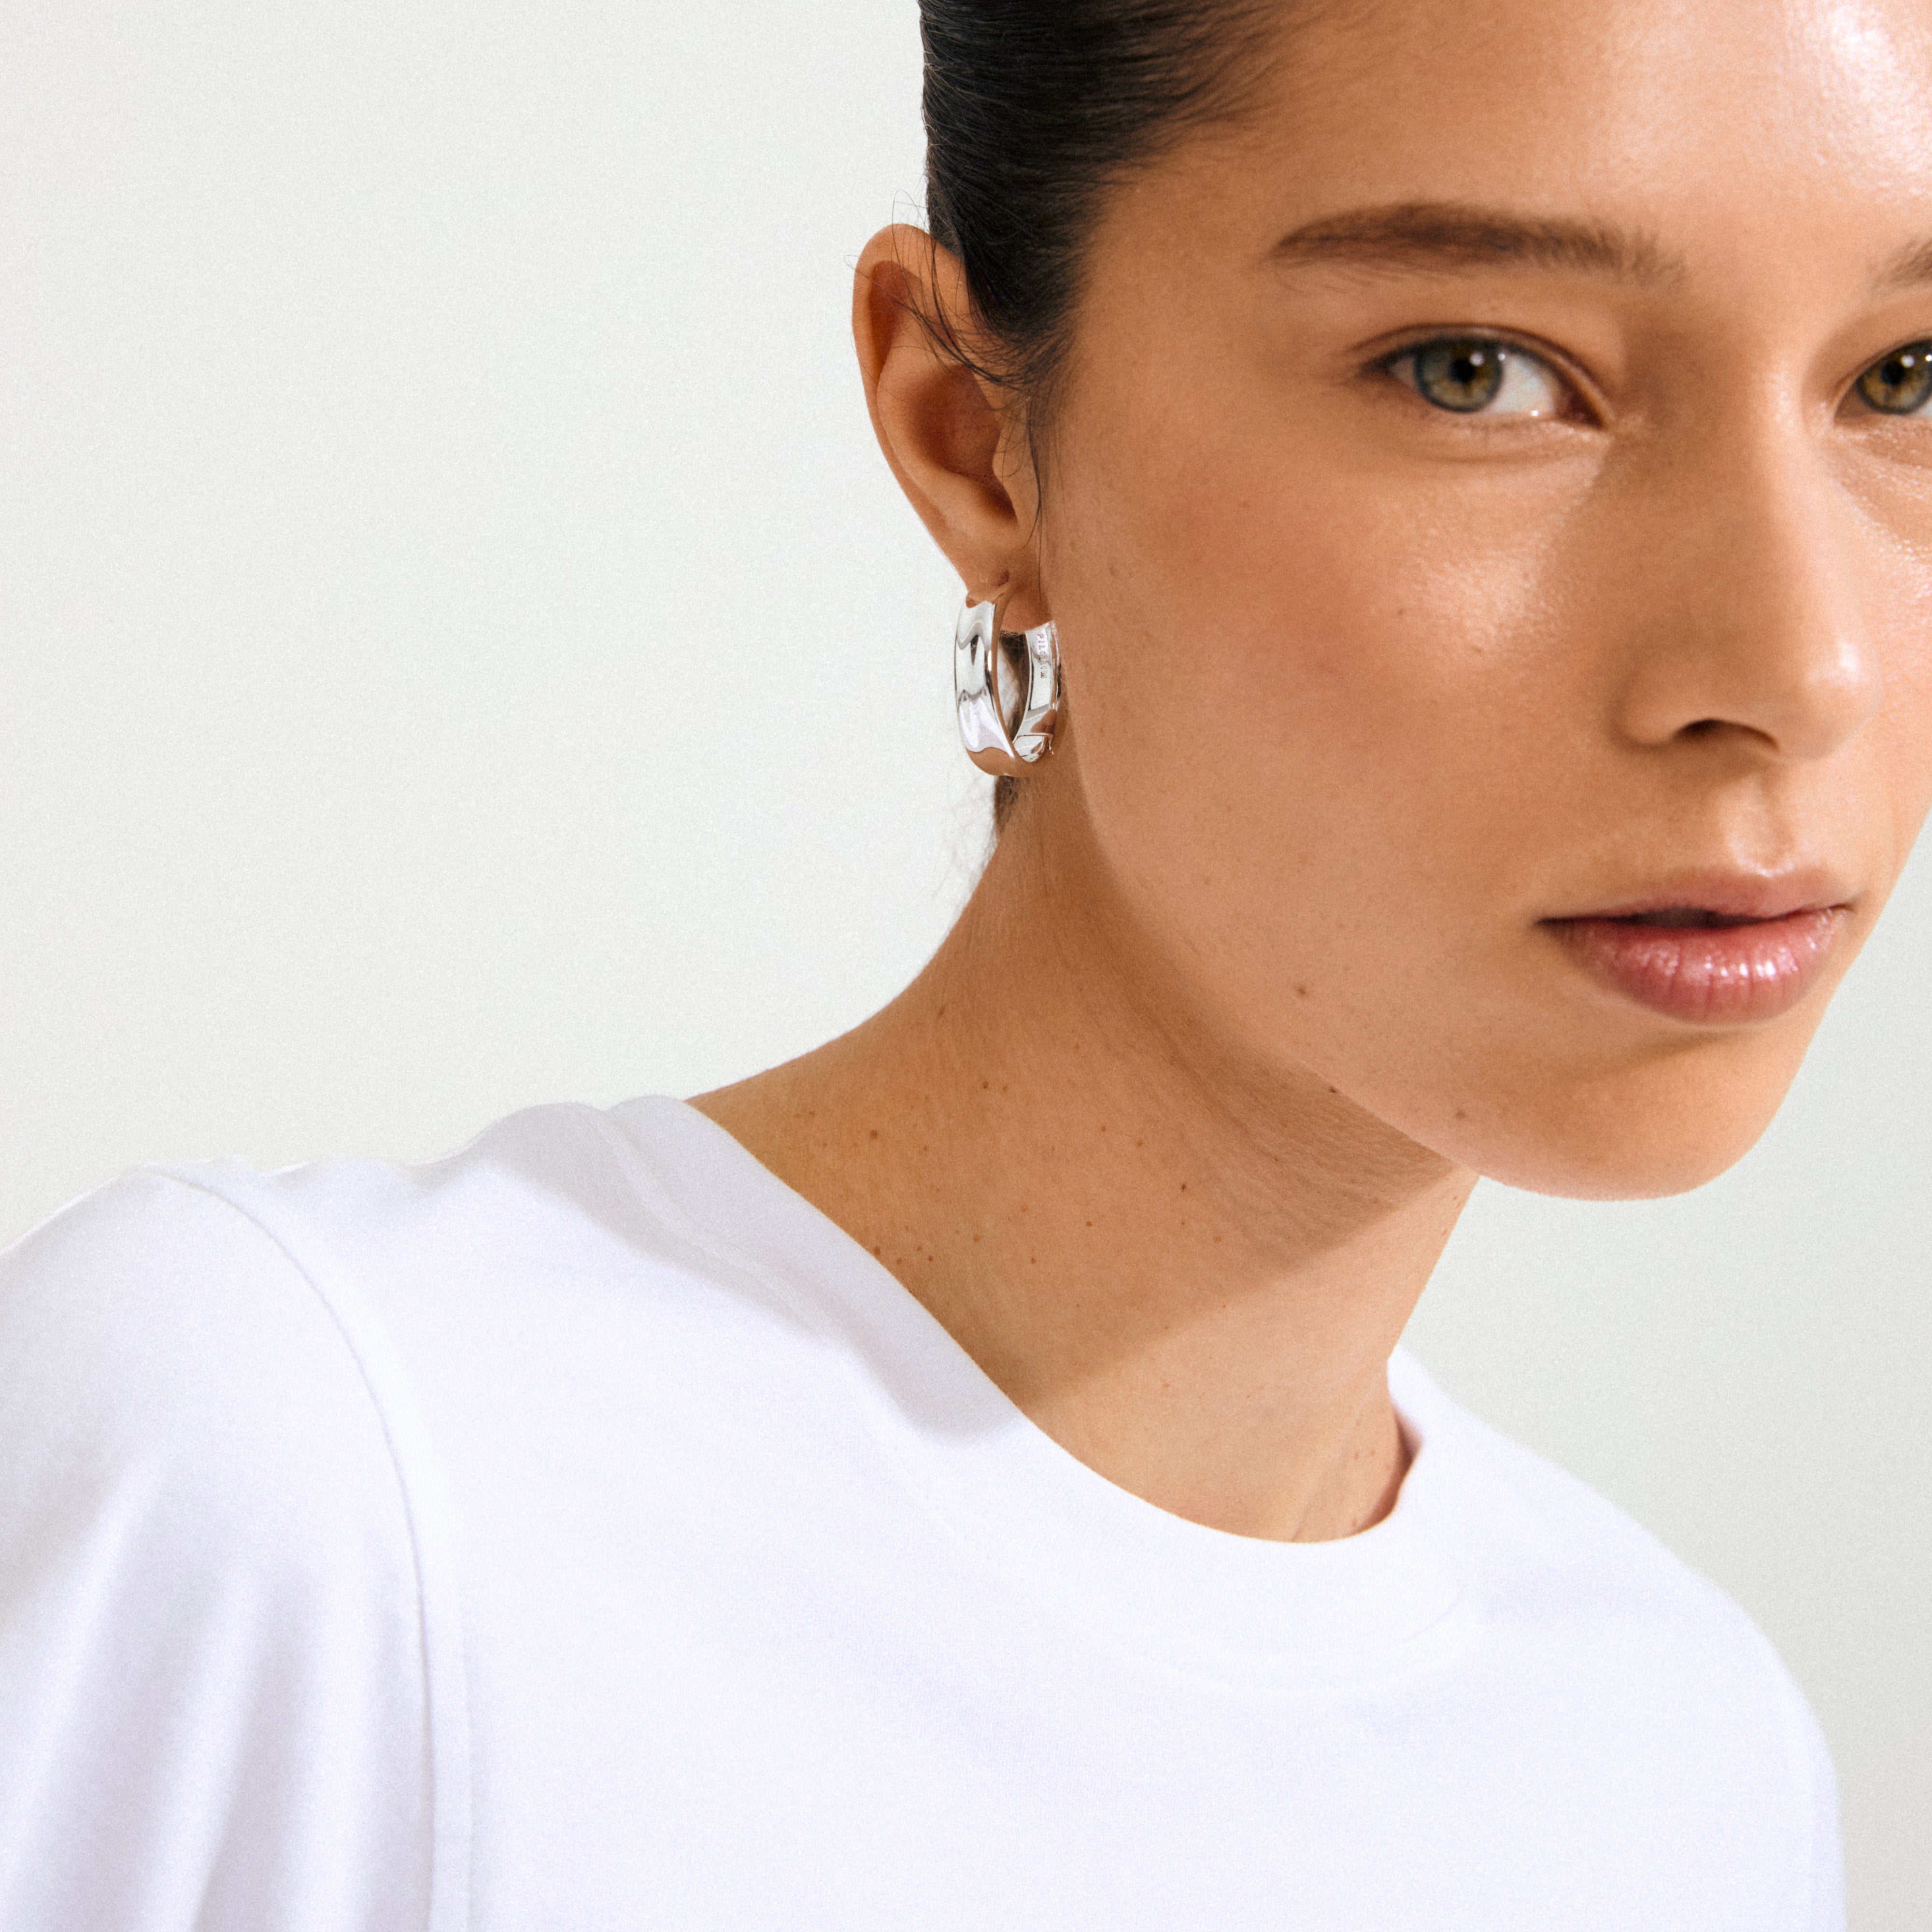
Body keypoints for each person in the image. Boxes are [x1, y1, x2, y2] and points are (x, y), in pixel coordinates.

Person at [6, 0, 1927, 1921]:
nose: (1793, 667)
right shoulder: (304, 1483)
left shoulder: (1682, 1764)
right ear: (973, 437)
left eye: (1905, 378)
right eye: (1474, 371)